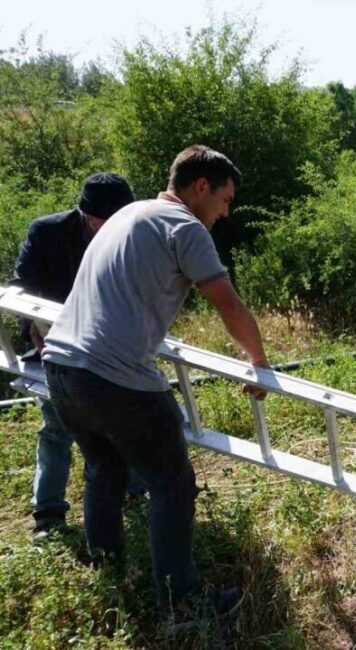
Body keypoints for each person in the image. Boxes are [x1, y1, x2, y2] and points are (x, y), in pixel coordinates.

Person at [42, 145, 269, 614]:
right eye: (225, 201)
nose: (225, 214)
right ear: (200, 187)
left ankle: (105, 569)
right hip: (115, 378)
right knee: (172, 482)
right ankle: (183, 604)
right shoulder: (184, 226)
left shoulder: (128, 215)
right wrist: (259, 363)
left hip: (62, 366)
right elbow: (228, 304)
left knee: (104, 469)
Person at [9, 172, 144, 543]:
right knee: (56, 427)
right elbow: (20, 288)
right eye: (105, 221)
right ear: (85, 214)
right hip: (53, 349)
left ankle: (133, 492)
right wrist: (40, 328)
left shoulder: (131, 234)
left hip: (110, 350)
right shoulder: (47, 233)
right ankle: (48, 514)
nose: (113, 229)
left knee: (123, 422)